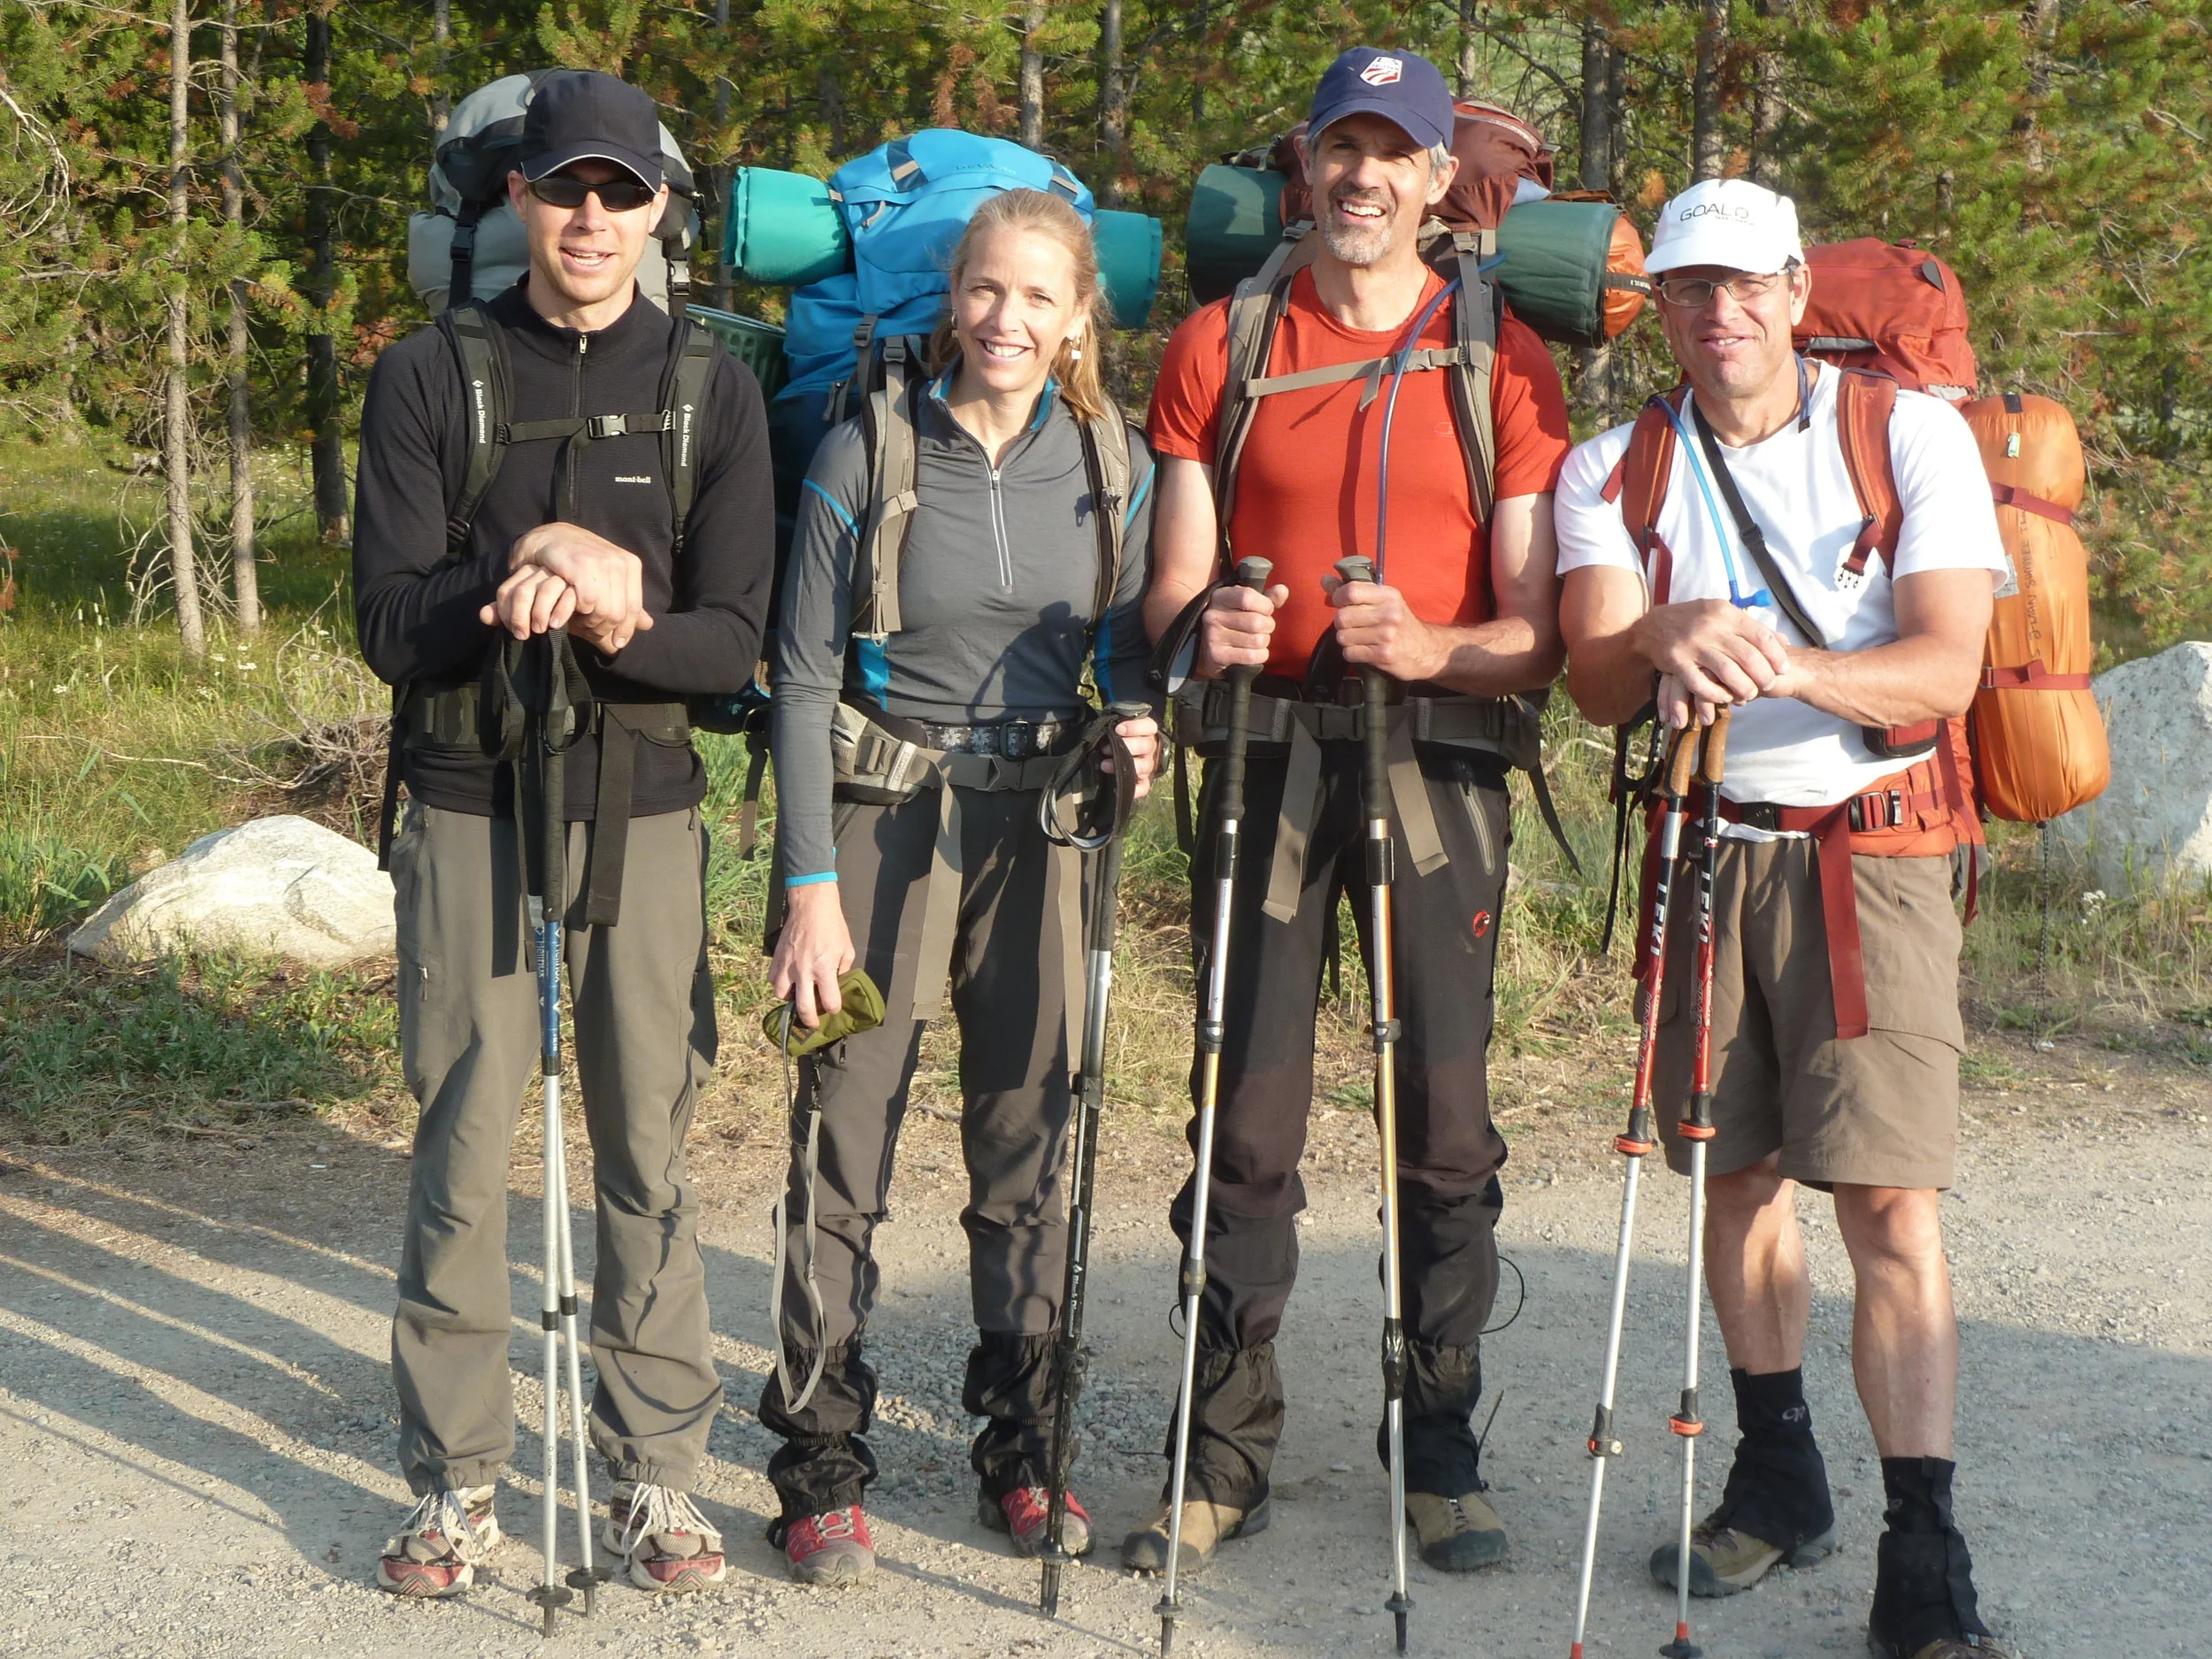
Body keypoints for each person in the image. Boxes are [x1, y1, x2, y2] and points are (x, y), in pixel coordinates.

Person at [1125, 45, 1571, 1577]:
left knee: (1445, 1129)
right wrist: (1203, 637)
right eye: (1343, 148)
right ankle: (1221, 1447)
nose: (1365, 176)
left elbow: (1542, 635)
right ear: (1307, 163)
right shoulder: (1221, 342)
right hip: (1264, 759)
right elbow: (1171, 597)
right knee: (1242, 1120)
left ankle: (1437, 1445)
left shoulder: (1504, 361)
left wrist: (1433, 648)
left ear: (1442, 180)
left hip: (1438, 768)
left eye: (1397, 152)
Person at [1554, 178, 2014, 1659]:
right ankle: (1777, 1465)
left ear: (1799, 285)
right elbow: (1595, 679)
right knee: (1732, 1176)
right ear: (1661, 305)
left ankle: (1923, 1543)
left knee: (1886, 1201)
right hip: (1704, 849)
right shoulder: (1614, 468)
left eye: (1746, 284)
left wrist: (1789, 671)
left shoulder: (1908, 437)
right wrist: (1660, 635)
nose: (1720, 312)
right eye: (1690, 288)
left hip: (1873, 853)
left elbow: (1942, 672)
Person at [353, 69, 772, 1600]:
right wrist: (512, 570)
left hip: (641, 815)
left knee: (647, 1149)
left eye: (621, 190)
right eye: (564, 187)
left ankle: (656, 1472)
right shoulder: (431, 374)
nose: (592, 217)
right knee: (465, 1146)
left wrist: (615, 601)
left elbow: (731, 642)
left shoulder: (709, 389)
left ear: (661, 206)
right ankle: (458, 1480)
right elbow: (388, 624)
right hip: (470, 806)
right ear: (519, 196)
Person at [762, 187, 1160, 1586]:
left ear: (1078, 316)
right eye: (989, 291)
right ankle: (817, 1458)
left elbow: (1132, 639)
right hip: (878, 819)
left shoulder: (1112, 455)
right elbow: (802, 675)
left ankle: (1024, 1445)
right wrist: (808, 882)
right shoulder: (867, 442)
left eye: (1040, 298)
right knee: (839, 1141)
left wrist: (1143, 720)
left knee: (1028, 1148)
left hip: (1040, 827)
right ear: (956, 297)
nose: (1009, 320)